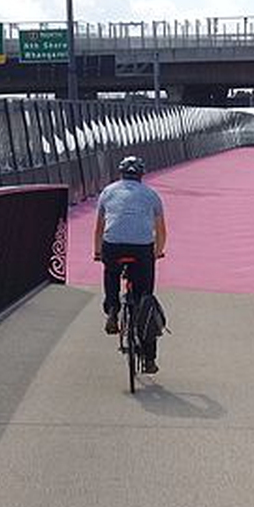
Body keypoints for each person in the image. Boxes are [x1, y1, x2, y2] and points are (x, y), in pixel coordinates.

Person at [94, 154, 167, 372]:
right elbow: (161, 230)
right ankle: (150, 360)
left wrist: (98, 252)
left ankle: (112, 310)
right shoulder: (151, 195)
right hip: (142, 250)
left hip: (113, 246)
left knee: (111, 272)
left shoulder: (108, 192)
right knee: (145, 299)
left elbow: (99, 228)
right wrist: (157, 252)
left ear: (121, 174)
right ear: (141, 175)